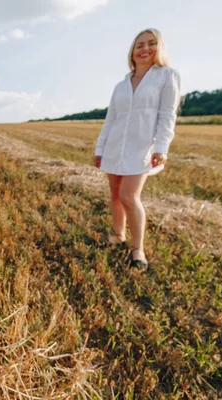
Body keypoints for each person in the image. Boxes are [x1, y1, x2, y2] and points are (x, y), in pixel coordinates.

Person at [93, 28, 181, 269]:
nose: (145, 49)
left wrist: (161, 147)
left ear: (159, 48)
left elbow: (167, 116)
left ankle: (137, 249)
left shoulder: (166, 76)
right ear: (132, 52)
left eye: (151, 44)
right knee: (114, 196)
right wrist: (100, 148)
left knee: (129, 197)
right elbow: (111, 119)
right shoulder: (121, 85)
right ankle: (118, 235)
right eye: (139, 45)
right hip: (114, 146)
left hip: (141, 148)